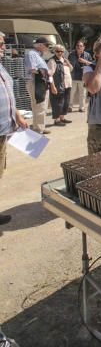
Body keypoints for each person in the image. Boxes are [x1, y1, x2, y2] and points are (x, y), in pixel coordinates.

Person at [0, 30, 29, 224]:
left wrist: (17, 114)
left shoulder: (1, 67)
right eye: (0, 44)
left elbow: (7, 92)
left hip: (4, 129)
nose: (4, 47)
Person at [24, 36, 53, 135]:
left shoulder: (38, 54)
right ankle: (38, 129)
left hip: (40, 82)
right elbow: (33, 69)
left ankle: (39, 127)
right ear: (40, 45)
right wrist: (46, 72)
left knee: (41, 106)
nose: (47, 47)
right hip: (36, 83)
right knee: (39, 106)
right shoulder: (32, 54)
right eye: (46, 45)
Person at [47, 45, 73, 127]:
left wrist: (68, 63)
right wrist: (52, 86)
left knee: (66, 102)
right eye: (58, 51)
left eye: (62, 51)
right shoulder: (52, 61)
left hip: (67, 84)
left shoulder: (64, 60)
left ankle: (62, 117)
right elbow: (50, 75)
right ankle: (57, 119)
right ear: (54, 51)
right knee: (57, 103)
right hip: (58, 85)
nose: (60, 53)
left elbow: (71, 69)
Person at [68, 40, 92, 112]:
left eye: (81, 46)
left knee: (83, 93)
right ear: (75, 47)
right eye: (78, 46)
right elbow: (68, 64)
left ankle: (81, 107)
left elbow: (92, 64)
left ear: (84, 47)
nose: (79, 47)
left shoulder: (87, 55)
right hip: (73, 76)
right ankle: (70, 106)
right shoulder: (71, 54)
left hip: (83, 77)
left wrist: (84, 62)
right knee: (71, 93)